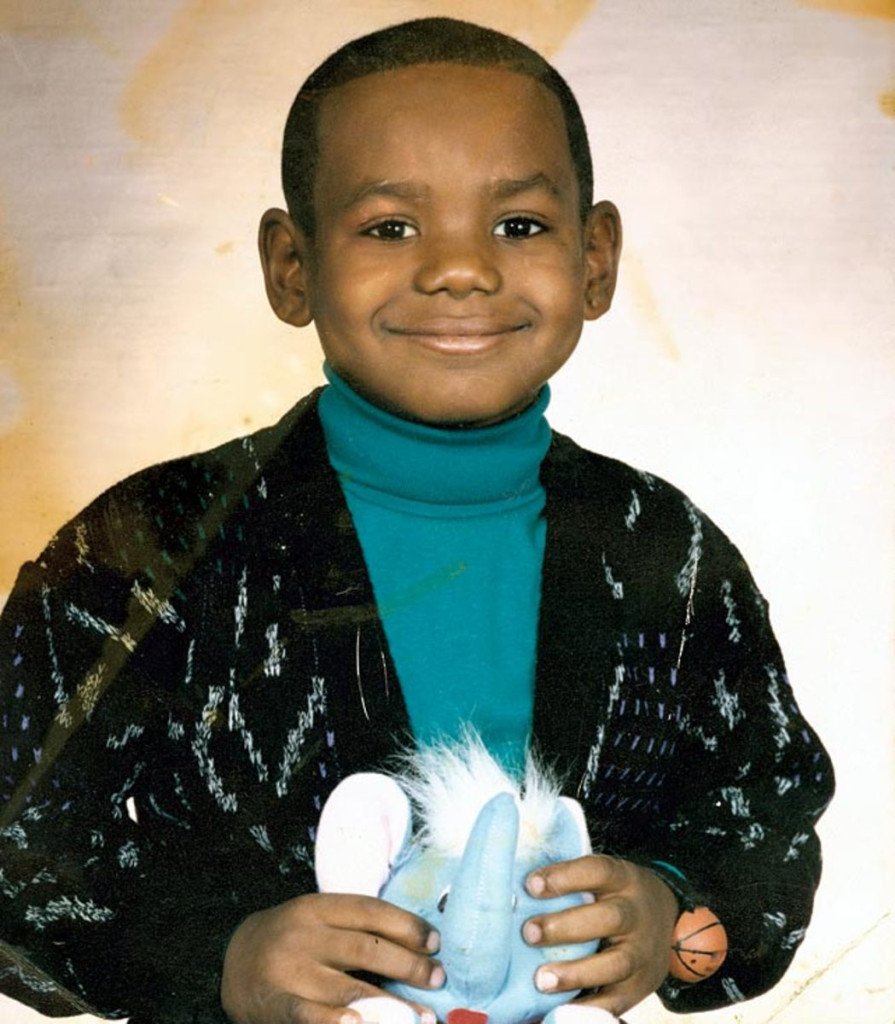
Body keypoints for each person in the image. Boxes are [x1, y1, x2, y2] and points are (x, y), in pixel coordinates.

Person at [0, 17, 833, 1024]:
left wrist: (669, 907)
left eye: (518, 224)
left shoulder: (667, 550)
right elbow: (19, 845)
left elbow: (766, 807)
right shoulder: (148, 547)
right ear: (291, 265)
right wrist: (221, 956)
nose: (459, 270)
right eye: (390, 227)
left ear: (595, 257)